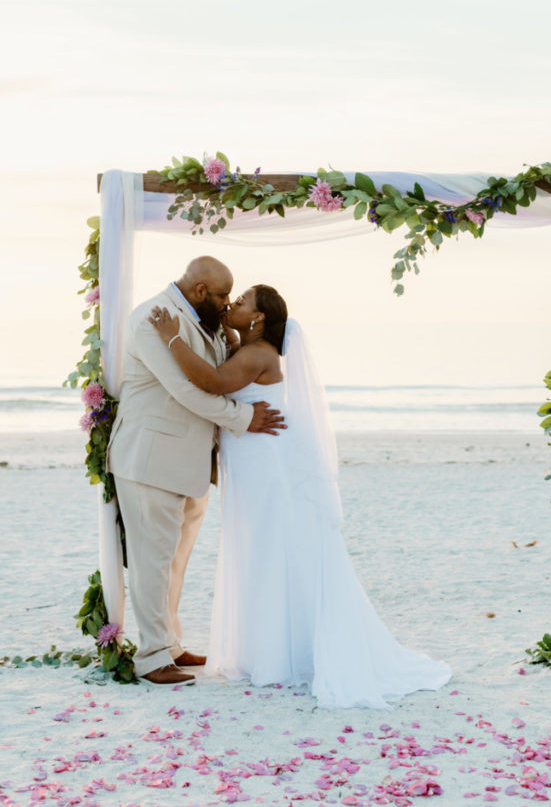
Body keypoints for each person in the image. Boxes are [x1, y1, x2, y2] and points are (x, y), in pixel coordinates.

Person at [149, 283, 451, 708]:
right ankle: (269, 648)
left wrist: (172, 339)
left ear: (257, 319)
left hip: (265, 462)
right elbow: (228, 350)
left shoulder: (258, 354)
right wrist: (221, 320)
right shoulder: (249, 346)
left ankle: (279, 651)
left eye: (241, 302)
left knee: (269, 545)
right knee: (261, 547)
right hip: (254, 458)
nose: (232, 305)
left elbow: (215, 382)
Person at [107, 257, 285, 686]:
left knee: (175, 562)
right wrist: (243, 418)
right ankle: (151, 658)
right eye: (224, 295)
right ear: (202, 291)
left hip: (188, 464)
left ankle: (170, 644)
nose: (228, 304)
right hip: (151, 459)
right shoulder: (153, 318)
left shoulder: (202, 320)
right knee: (152, 561)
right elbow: (186, 391)